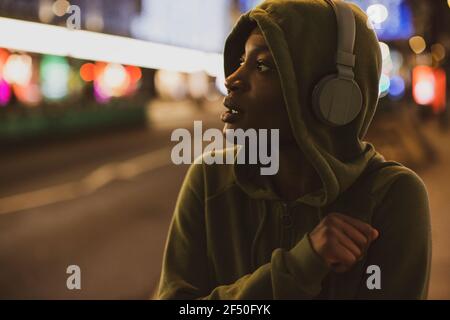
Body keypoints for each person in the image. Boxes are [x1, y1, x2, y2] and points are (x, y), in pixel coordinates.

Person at [157, 0, 431, 299]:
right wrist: (300, 268)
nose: (232, 80)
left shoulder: (392, 196)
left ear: (334, 96)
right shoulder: (210, 179)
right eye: (240, 62)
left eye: (262, 65)